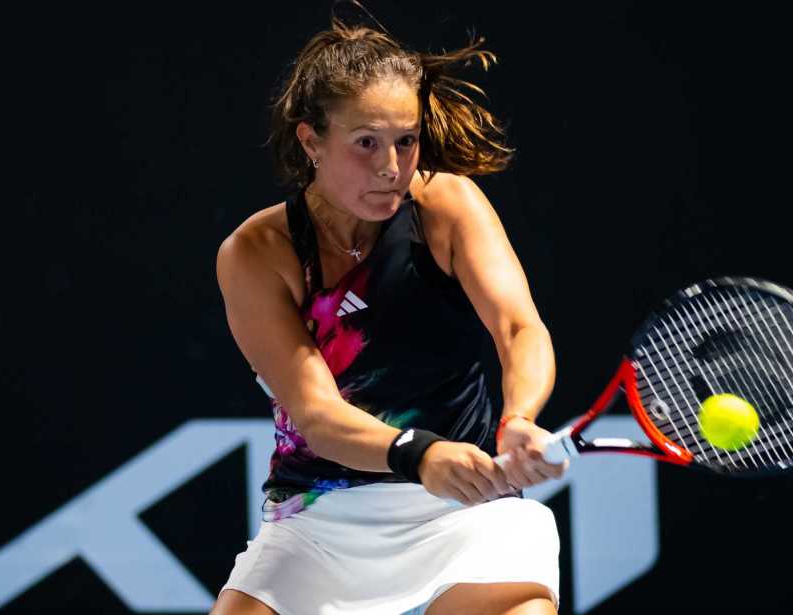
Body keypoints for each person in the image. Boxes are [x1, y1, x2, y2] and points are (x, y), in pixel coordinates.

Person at [212, 10, 567, 615]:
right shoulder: (257, 253)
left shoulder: (446, 206)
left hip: (468, 511)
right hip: (320, 520)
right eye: (366, 143)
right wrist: (418, 452)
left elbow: (517, 327)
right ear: (311, 141)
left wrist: (520, 417)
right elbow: (319, 415)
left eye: (406, 141)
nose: (391, 167)